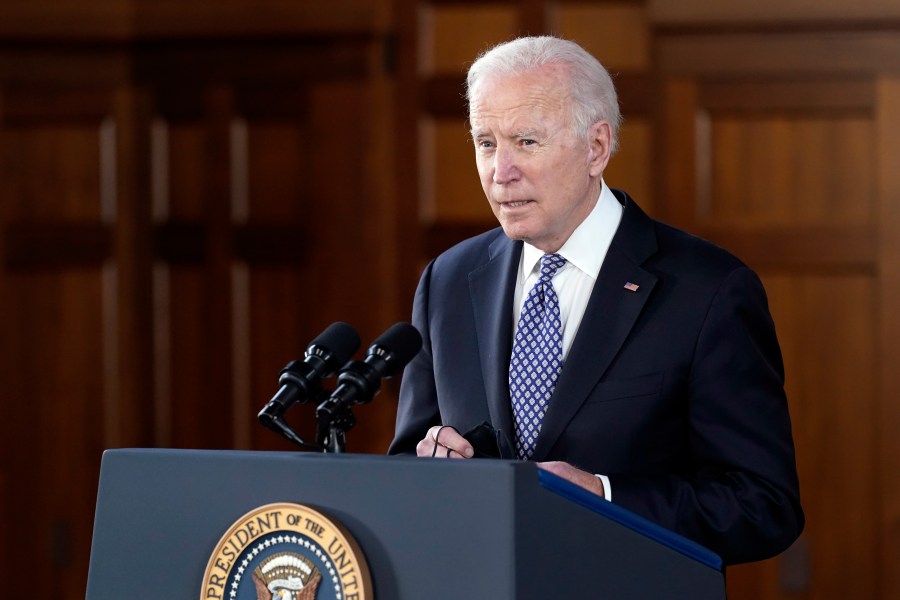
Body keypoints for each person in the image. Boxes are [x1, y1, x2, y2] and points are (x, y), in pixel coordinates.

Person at [388, 35, 803, 565]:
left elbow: (764, 505)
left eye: (527, 142)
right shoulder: (448, 279)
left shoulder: (709, 290)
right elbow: (408, 464)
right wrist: (431, 469)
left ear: (597, 147)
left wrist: (605, 497)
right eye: (486, 143)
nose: (500, 171)